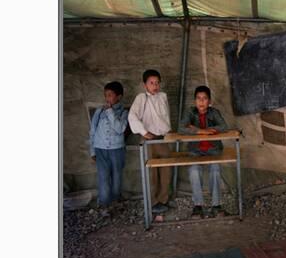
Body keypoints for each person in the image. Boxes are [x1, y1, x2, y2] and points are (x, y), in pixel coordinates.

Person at [178, 85, 228, 218]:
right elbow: (181, 128)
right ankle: (198, 206)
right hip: (195, 150)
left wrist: (202, 128)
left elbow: (223, 126)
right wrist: (200, 131)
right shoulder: (190, 112)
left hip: (213, 150)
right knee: (194, 171)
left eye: (205, 98)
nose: (201, 102)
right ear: (194, 101)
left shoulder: (214, 112)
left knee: (215, 170)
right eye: (198, 98)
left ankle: (216, 206)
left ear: (209, 101)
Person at [128, 69, 173, 214]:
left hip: (163, 138)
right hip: (149, 140)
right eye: (151, 83)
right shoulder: (141, 98)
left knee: (166, 171)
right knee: (152, 173)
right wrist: (144, 132)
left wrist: (168, 130)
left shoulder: (163, 97)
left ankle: (163, 200)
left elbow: (165, 117)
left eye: (157, 83)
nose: (155, 86)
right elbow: (132, 116)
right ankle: (153, 203)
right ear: (145, 85)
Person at [89, 81, 129, 215]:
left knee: (117, 177)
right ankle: (104, 204)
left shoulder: (124, 112)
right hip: (100, 149)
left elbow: (120, 129)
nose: (107, 98)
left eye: (110, 95)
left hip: (117, 150)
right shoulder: (99, 111)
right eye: (106, 95)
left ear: (119, 97)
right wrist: (92, 150)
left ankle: (116, 201)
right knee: (103, 177)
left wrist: (111, 112)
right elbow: (93, 131)